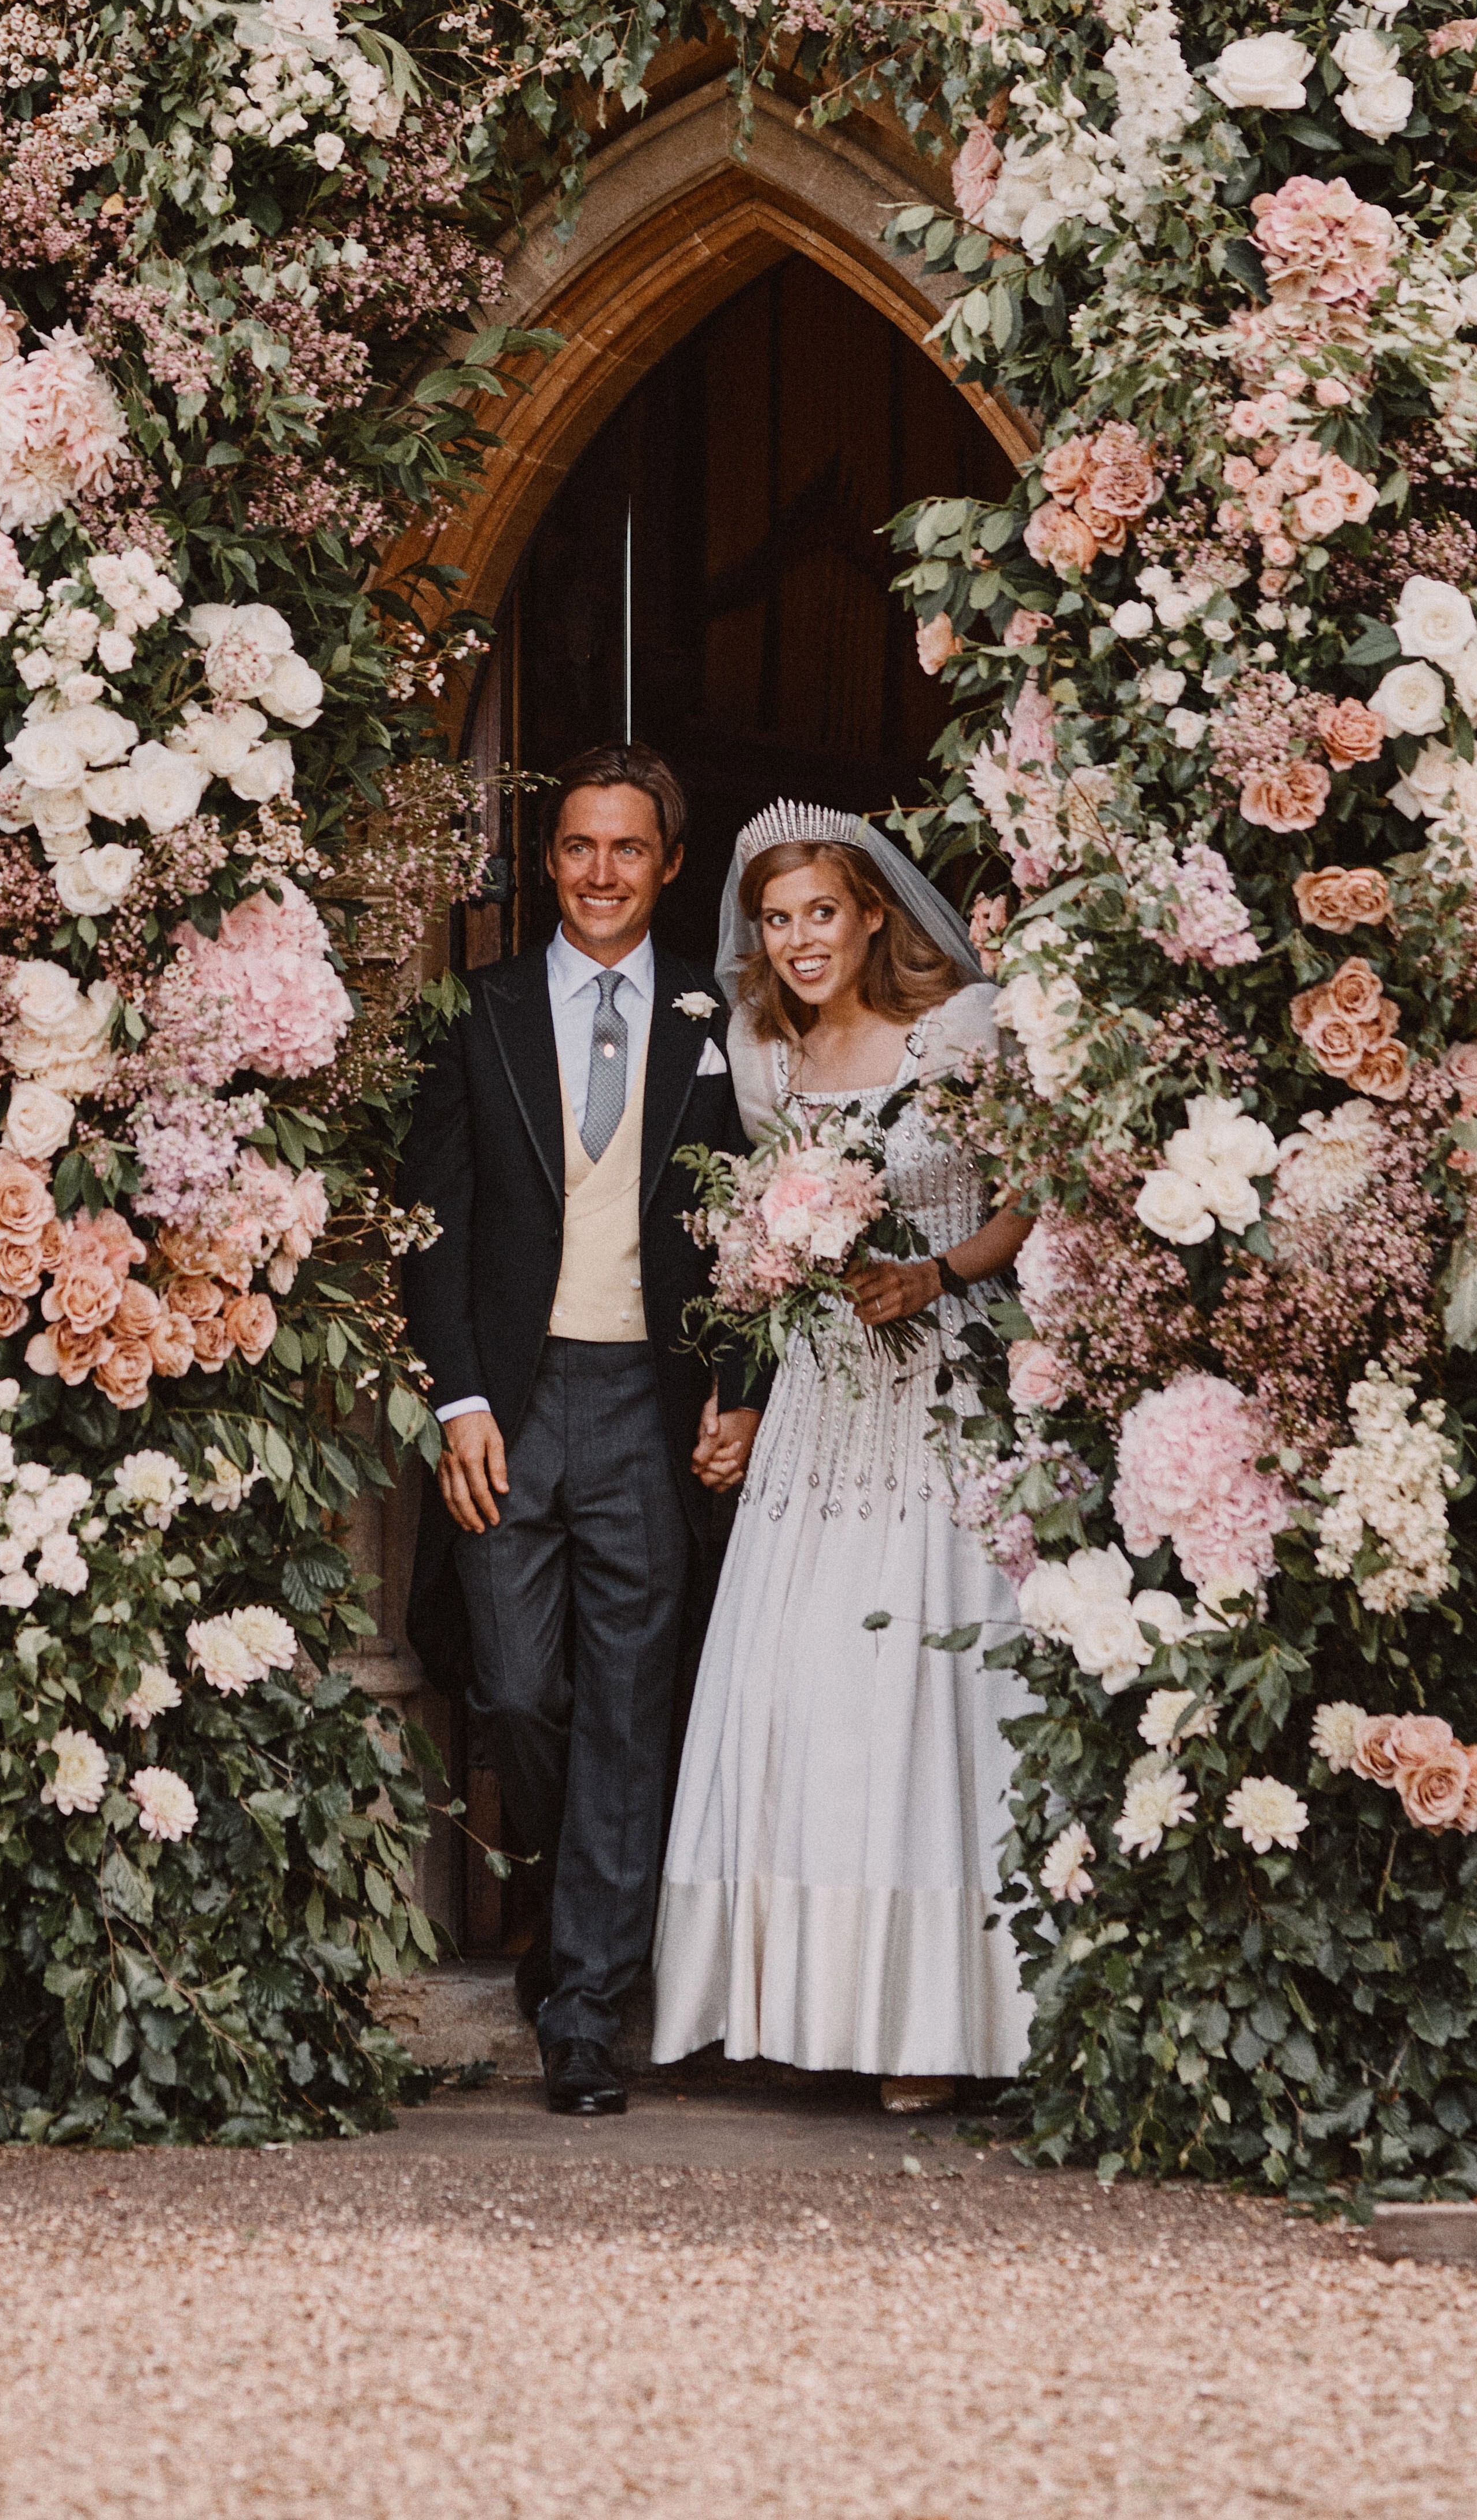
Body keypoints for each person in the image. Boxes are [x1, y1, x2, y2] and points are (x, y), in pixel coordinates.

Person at [651, 799, 1034, 2110]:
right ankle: (801, 2001)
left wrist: (932, 1269)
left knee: (928, 1694)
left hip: (943, 1386)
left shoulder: (960, 1031)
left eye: (821, 911)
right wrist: (743, 1387)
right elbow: (759, 1260)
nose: (799, 939)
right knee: (806, 1687)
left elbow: (1026, 1198)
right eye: (775, 919)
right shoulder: (765, 1058)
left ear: (874, 911)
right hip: (821, 1406)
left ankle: (936, 2021)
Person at [401, 742, 749, 2116]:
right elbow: (430, 1225)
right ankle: (564, 1909)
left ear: (668, 864)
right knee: (516, 1692)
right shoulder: (475, 1012)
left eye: (627, 849)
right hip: (511, 1399)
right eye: (575, 848)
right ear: (547, 863)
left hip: (646, 1407)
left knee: (625, 1708)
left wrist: (737, 1381)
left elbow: (757, 1227)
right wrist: (458, 1396)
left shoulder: (718, 1021)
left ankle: (588, 2008)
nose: (599, 874)